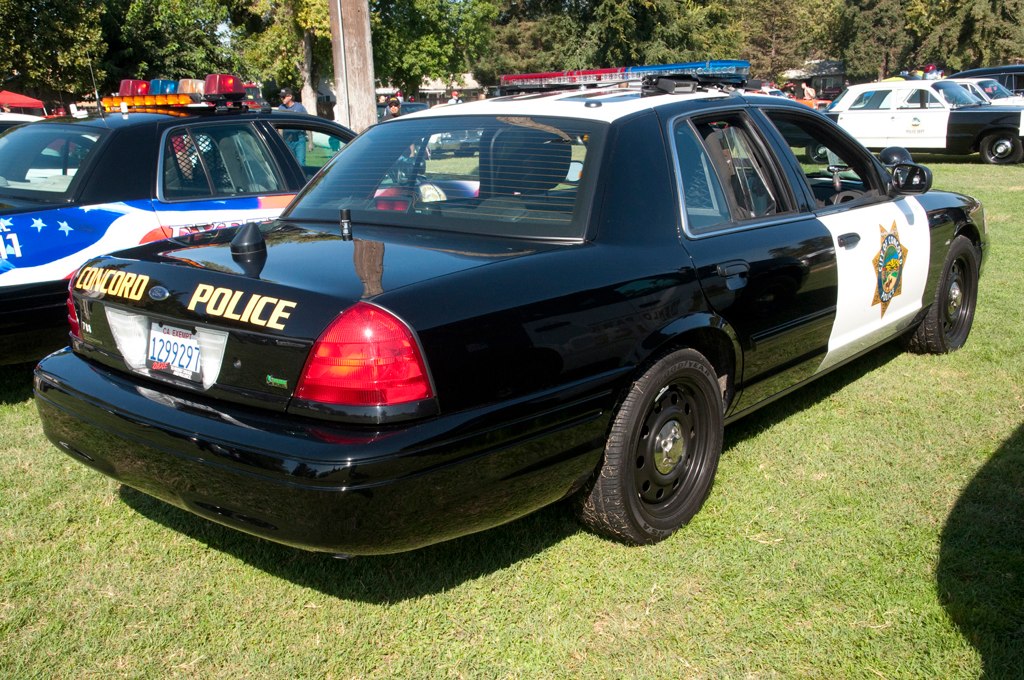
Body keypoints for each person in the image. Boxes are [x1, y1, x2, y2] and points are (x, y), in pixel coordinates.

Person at [278, 88, 309, 165]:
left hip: (299, 138)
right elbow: (280, 127)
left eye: (283, 97)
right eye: (281, 97)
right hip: (287, 139)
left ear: (290, 96)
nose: (281, 99)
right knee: (290, 163)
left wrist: (311, 142)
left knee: (301, 162)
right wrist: (281, 141)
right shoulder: (281, 108)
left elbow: (308, 123)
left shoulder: (299, 108)